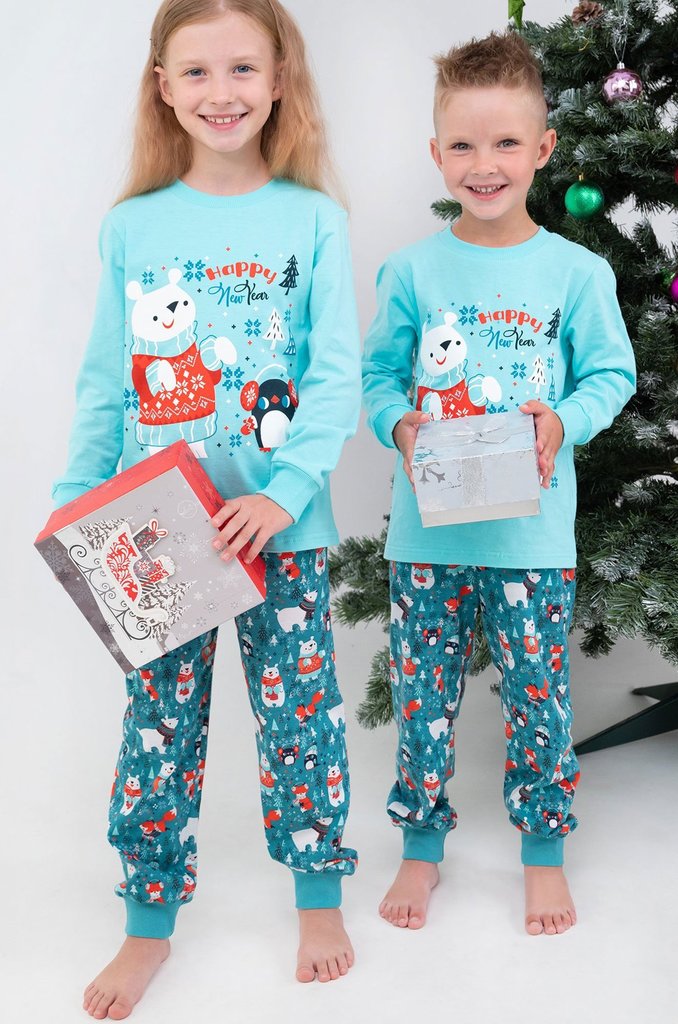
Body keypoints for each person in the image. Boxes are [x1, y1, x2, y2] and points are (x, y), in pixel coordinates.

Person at [52, 1, 360, 1016]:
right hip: (158, 532)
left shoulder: (314, 218)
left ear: (278, 82)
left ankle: (319, 899)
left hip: (282, 530)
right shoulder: (133, 225)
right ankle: (148, 922)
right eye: (196, 71)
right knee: (159, 727)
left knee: (300, 720)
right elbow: (106, 384)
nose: (220, 92)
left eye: (242, 69)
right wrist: (74, 509)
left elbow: (335, 379)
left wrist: (283, 494)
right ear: (163, 86)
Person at [362, 30, 636, 938]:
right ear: (436, 154)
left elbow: (611, 374)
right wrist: (399, 423)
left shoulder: (577, 273)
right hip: (429, 537)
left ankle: (544, 851)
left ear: (544, 148)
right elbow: (377, 377)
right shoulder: (412, 270)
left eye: (507, 142)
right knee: (421, 700)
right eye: (464, 145)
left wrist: (565, 420)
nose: (485, 165)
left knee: (538, 701)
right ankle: (421, 845)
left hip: (531, 538)